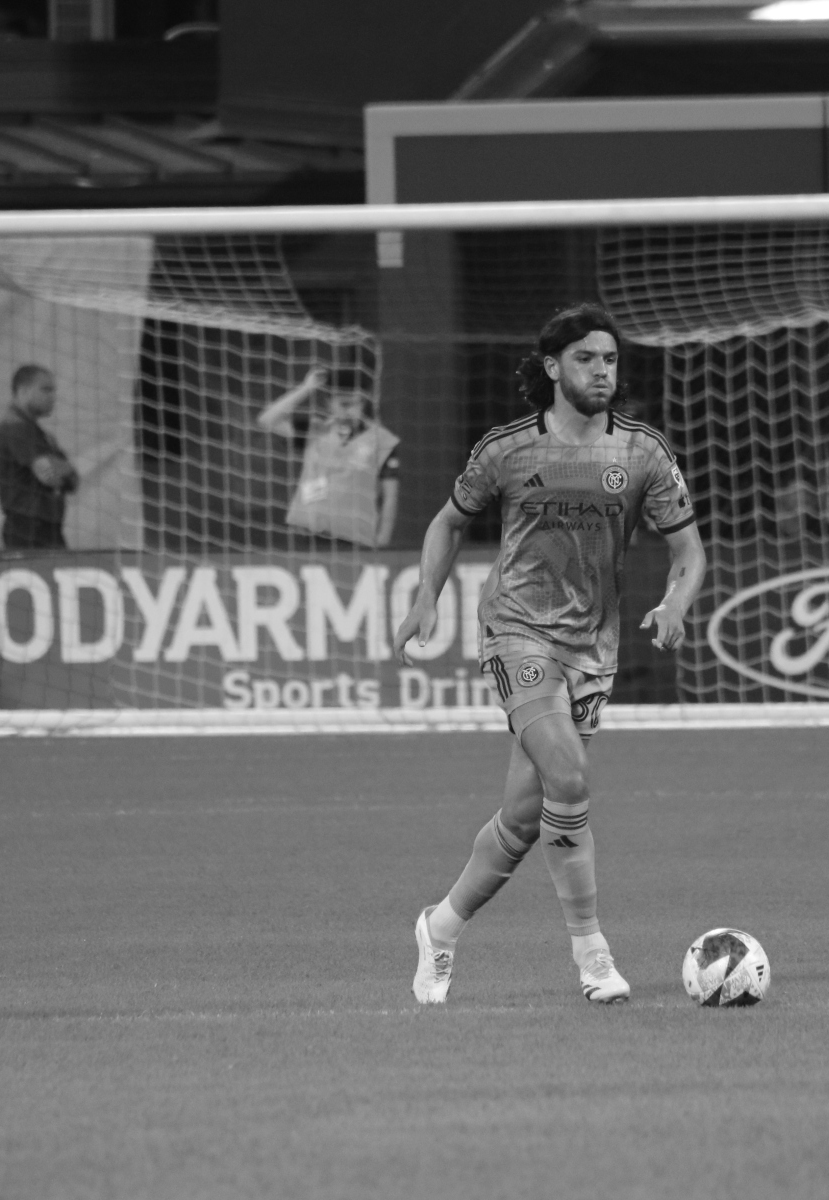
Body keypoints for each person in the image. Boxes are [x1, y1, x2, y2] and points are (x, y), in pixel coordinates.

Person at [394, 303, 706, 1006]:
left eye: (610, 359)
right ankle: (592, 953)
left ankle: (439, 928)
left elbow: (689, 552)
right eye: (587, 358)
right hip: (517, 631)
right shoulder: (507, 449)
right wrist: (426, 597)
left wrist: (676, 604)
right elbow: (447, 523)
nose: (602, 371)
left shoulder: (643, 453)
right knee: (569, 773)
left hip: (593, 649)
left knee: (524, 819)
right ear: (553, 367)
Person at [256, 365, 400, 548]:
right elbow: (266, 420)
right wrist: (306, 387)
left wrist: (383, 537)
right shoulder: (316, 429)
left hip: (355, 537)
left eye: (355, 403)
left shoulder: (381, 440)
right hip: (310, 532)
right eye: (343, 404)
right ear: (329, 403)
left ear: (363, 403)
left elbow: (390, 494)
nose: (349, 410)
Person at [0, 364, 78, 550]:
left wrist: (64, 471)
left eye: (53, 390)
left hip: (44, 530)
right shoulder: (15, 428)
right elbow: (48, 474)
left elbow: (74, 480)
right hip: (28, 532)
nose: (53, 397)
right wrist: (63, 469)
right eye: (46, 390)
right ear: (23, 391)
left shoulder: (37, 432)